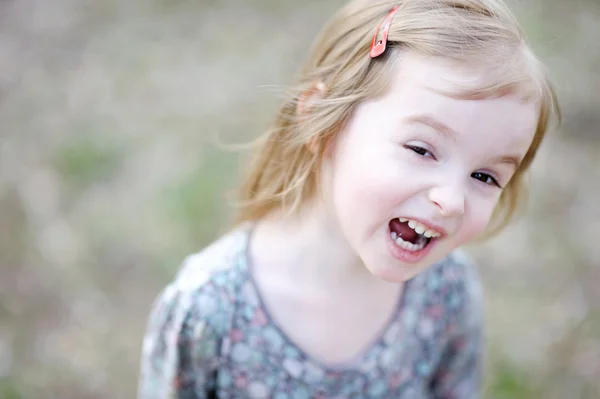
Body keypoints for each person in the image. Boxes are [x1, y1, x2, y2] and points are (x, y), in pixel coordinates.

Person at [137, 0, 560, 397]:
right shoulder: (209, 310)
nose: (452, 200)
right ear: (323, 123)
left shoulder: (447, 292)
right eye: (421, 150)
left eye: (484, 176)